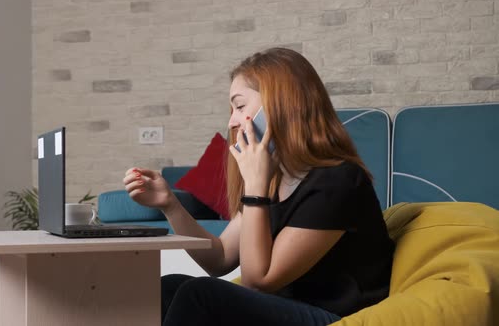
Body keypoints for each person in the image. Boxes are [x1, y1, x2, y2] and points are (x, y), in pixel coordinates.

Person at [123, 47, 395, 326]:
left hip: (333, 317)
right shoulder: (277, 178)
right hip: (288, 307)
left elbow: (258, 281)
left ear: (280, 106)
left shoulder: (337, 181)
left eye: (240, 106)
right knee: (168, 288)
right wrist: (170, 205)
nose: (231, 121)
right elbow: (219, 259)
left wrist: (255, 187)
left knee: (200, 294)